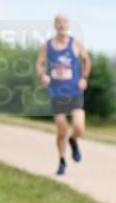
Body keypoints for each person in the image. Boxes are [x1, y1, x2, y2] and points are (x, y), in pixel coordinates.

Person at [36, 14, 91, 175]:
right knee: (61, 130)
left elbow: (87, 60)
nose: (62, 25)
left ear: (68, 25)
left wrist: (84, 77)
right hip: (56, 92)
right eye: (58, 22)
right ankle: (62, 160)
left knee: (79, 127)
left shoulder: (75, 44)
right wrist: (43, 75)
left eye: (64, 22)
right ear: (55, 25)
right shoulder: (48, 46)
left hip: (74, 91)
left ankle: (73, 140)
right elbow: (40, 64)